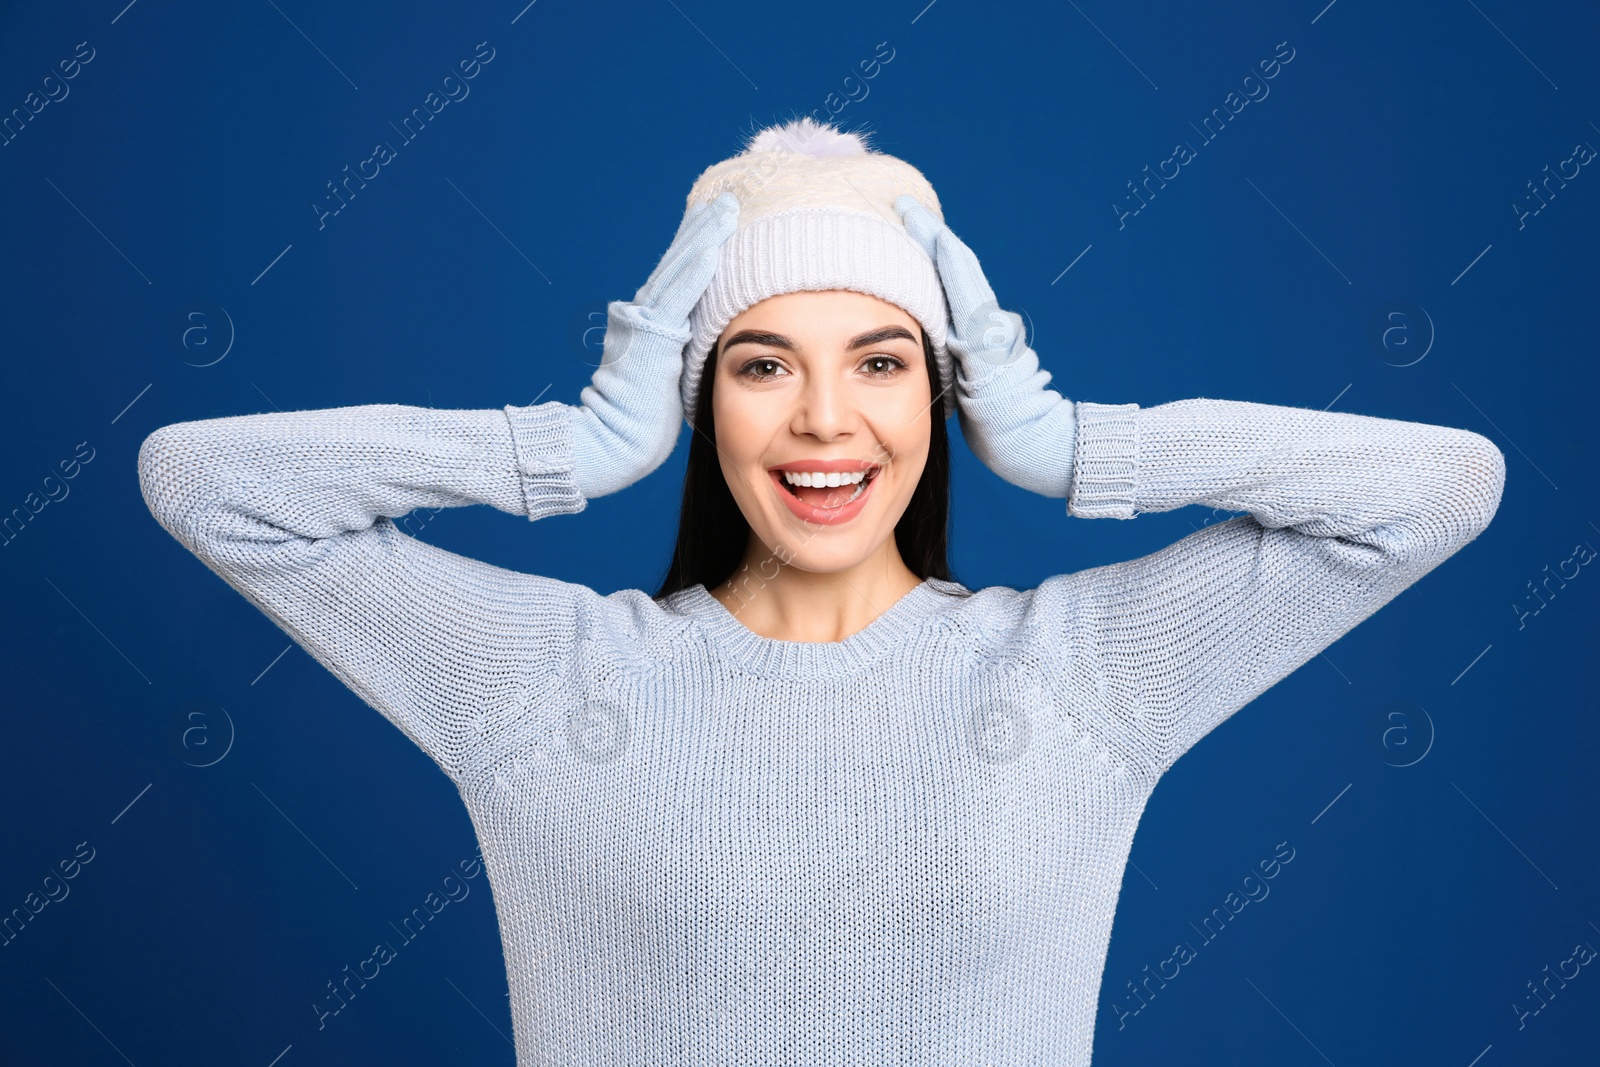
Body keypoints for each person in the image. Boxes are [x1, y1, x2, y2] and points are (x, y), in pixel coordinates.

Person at [137, 118, 1505, 1065]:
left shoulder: (1081, 672)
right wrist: (568, 446)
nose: (825, 423)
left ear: (944, 390)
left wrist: (1077, 443)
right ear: (699, 401)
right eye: (761, 364)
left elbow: (1442, 491)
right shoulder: (549, 679)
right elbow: (203, 484)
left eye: (882, 361)